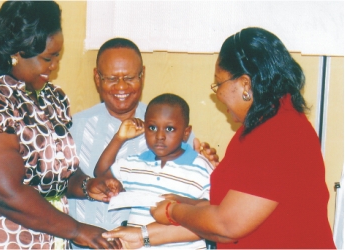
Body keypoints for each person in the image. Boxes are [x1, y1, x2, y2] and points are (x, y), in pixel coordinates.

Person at [104, 27, 336, 249]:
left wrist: (172, 211)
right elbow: (225, 213)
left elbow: (226, 225)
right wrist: (149, 232)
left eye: (219, 83)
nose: (218, 94)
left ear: (245, 84)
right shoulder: (261, 128)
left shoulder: (279, 134)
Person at [0, 1, 123, 249]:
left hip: (46, 238)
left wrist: (86, 185)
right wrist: (76, 230)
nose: (54, 66)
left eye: (57, 57)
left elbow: (54, 174)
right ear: (17, 52)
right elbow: (3, 195)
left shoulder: (51, 97)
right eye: (48, 58)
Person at [67, 37, 219, 245]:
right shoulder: (74, 127)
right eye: (112, 78)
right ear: (97, 77)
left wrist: (209, 162)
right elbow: (61, 182)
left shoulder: (168, 123)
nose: (121, 86)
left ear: (143, 75)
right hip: (88, 245)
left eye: (130, 77)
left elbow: (201, 201)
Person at [95, 93, 214, 249]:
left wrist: (182, 202)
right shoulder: (135, 163)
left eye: (169, 129)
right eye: (152, 128)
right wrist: (120, 137)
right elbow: (101, 175)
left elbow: (213, 211)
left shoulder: (200, 166)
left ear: (186, 133)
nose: (159, 136)